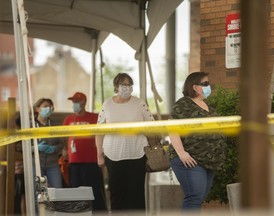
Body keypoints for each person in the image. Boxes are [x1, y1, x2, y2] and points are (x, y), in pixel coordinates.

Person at [168, 72, 227, 212]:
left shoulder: (207, 106)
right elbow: (172, 128)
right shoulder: (184, 104)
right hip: (190, 159)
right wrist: (182, 153)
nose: (208, 86)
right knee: (194, 197)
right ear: (194, 87)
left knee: (199, 198)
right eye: (205, 84)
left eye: (208, 83)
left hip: (208, 161)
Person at [96, 73, 155, 212]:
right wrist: (99, 154)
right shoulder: (107, 104)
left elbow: (152, 127)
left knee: (136, 195)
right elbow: (99, 130)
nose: (127, 87)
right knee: (117, 193)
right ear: (116, 86)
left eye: (129, 84)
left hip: (137, 154)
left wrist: (153, 150)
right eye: (124, 84)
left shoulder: (140, 103)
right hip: (113, 155)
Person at [63, 92, 107, 211]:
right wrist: (65, 151)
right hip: (74, 162)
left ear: (84, 102)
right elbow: (64, 137)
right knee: (76, 191)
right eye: (73, 101)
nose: (74, 104)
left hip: (91, 161)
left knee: (95, 190)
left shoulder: (94, 118)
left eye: (77, 101)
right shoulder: (68, 119)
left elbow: (101, 135)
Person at [33, 98, 64, 188]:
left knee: (57, 190)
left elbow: (61, 144)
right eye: (45, 106)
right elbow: (22, 146)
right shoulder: (31, 125)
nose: (48, 108)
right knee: (37, 193)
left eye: (50, 107)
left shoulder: (55, 125)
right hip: (36, 165)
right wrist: (35, 148)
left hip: (53, 165)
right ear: (37, 109)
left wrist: (54, 148)